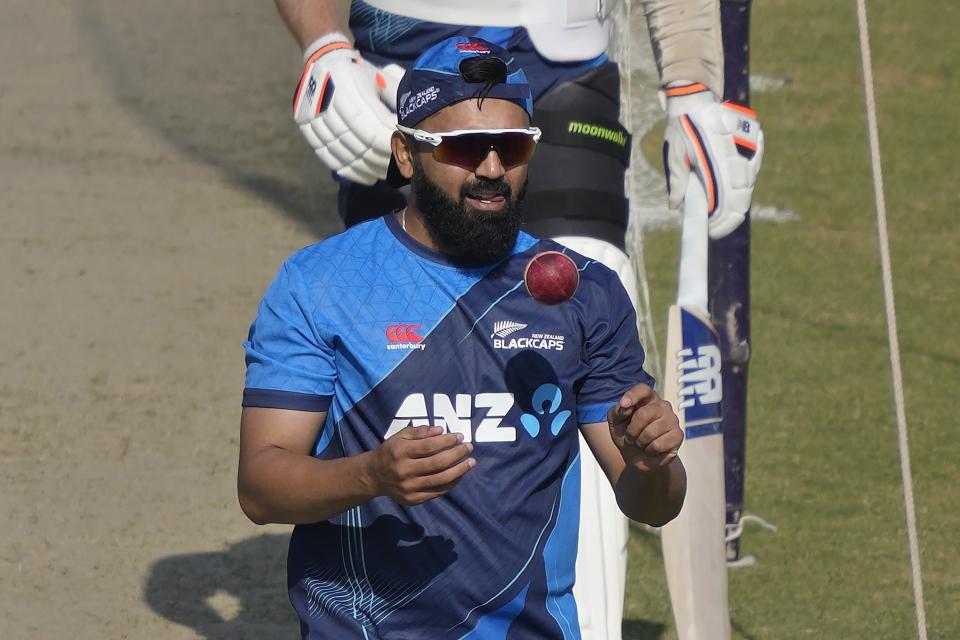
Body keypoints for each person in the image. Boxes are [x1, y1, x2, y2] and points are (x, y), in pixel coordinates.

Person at [273, 2, 762, 638]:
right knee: (389, 326)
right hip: (389, 62)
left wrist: (692, 78)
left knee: (581, 296)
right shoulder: (314, 279)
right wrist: (322, 43)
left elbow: (654, 489)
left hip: (561, 61)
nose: (492, 167)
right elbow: (260, 483)